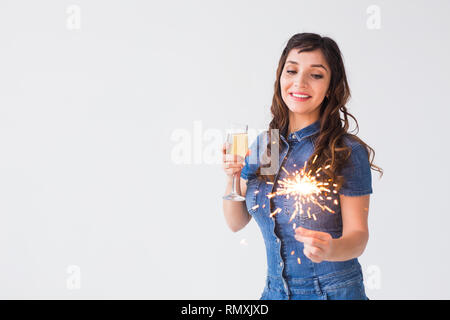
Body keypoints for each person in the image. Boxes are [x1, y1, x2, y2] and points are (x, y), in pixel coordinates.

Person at [222, 33, 383, 300]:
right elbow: (235, 222)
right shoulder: (268, 146)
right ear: (280, 78)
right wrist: (232, 178)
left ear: (331, 85)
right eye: (292, 71)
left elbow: (359, 237)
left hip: (331, 293)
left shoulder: (345, 150)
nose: (300, 82)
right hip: (274, 292)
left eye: (316, 75)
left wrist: (329, 249)